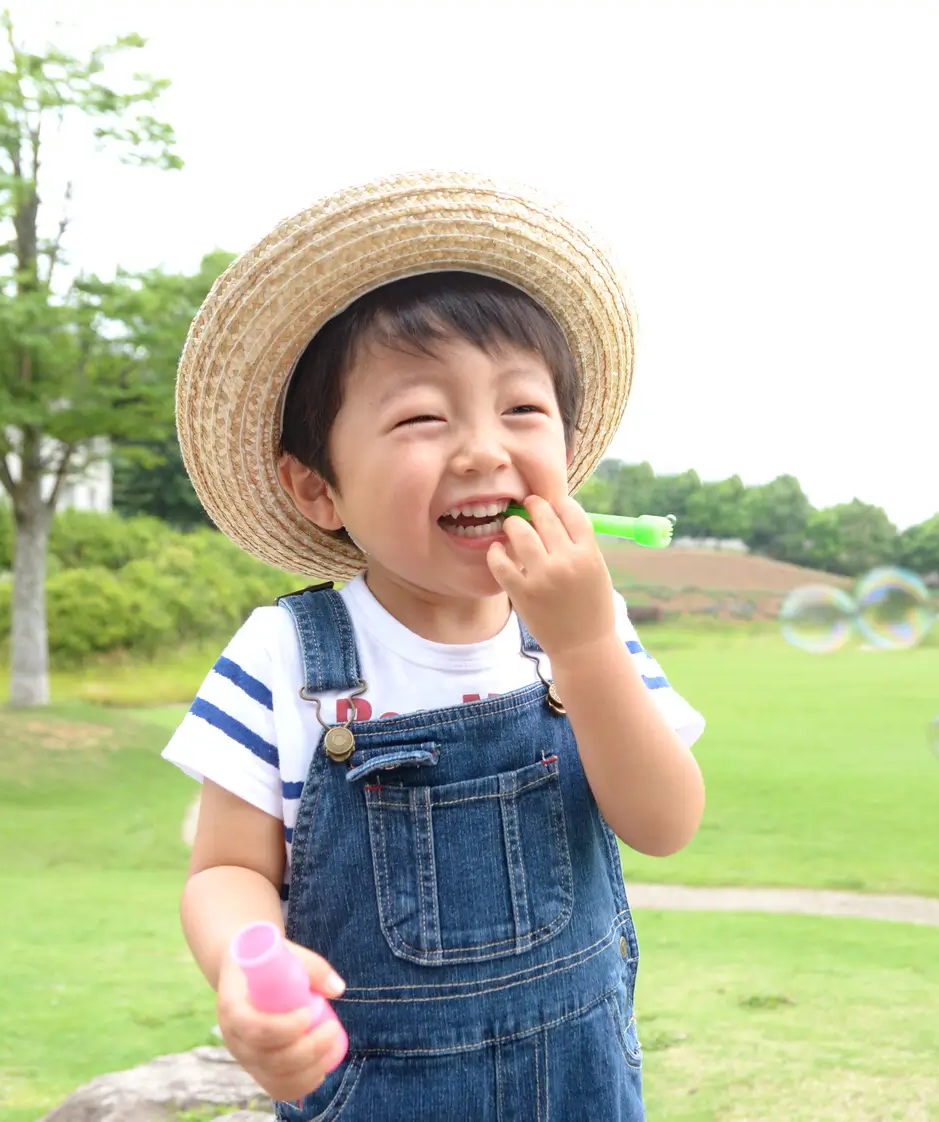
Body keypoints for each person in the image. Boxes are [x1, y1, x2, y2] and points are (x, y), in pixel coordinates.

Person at [161, 172, 707, 1120]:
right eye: (422, 417)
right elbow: (227, 869)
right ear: (317, 490)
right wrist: (247, 968)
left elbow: (664, 823)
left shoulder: (584, 630)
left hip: (583, 1089)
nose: (485, 449)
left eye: (523, 410)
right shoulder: (287, 657)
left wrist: (583, 647)